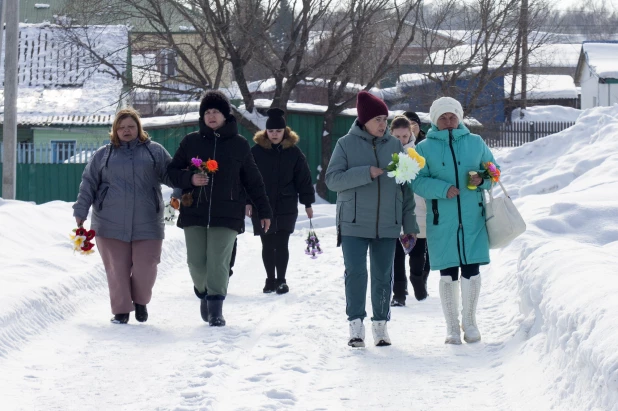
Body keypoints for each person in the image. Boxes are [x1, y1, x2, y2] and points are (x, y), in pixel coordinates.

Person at [167, 90, 272, 327]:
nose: (211, 116)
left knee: (219, 262)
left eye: (216, 111)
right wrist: (190, 180)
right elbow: (172, 172)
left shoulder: (239, 145)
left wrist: (264, 210)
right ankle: (204, 292)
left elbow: (253, 180)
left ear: (226, 115)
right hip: (194, 211)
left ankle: (216, 308)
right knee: (196, 263)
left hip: (227, 213)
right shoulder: (190, 141)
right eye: (207, 112)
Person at [326, 91, 419, 348]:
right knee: (356, 274)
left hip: (388, 224)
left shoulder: (394, 146)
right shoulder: (345, 144)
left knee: (382, 276)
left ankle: (380, 326)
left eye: (384, 118)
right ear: (364, 120)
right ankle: (356, 326)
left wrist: (409, 225)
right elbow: (333, 180)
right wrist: (366, 173)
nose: (382, 124)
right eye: (377, 118)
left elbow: (405, 188)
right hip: (354, 222)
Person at [412, 97, 499, 345]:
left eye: (452, 117)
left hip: (473, 218)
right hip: (442, 219)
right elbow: (417, 181)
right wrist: (442, 189)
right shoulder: (424, 148)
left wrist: (482, 180)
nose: (448, 122)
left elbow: (494, 171)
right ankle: (452, 327)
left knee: (472, 271)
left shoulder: (475, 142)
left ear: (459, 118)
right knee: (448, 273)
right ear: (435, 121)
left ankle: (470, 322)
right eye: (443, 118)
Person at [73, 108, 173, 324]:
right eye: (121, 127)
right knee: (116, 268)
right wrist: (81, 210)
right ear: (115, 130)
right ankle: (121, 310)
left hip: (148, 220)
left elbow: (172, 175)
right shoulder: (103, 154)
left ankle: (141, 301)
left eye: (131, 126)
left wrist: (186, 186)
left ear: (139, 127)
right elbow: (88, 183)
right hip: (109, 222)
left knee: (146, 266)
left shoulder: (154, 151)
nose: (126, 131)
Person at [248, 108, 316, 295]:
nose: (275, 134)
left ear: (284, 131)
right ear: (266, 132)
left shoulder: (294, 152)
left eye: (278, 131)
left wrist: (308, 203)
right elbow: (246, 178)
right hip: (262, 205)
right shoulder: (256, 152)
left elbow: (304, 179)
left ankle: (282, 280)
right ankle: (270, 279)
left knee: (282, 243)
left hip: (286, 204)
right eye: (271, 131)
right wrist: (246, 201)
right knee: (267, 243)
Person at [389, 114, 430, 306]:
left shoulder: (417, 153)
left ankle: (418, 279)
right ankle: (399, 293)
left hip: (416, 208)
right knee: (396, 254)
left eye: (404, 136)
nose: (401, 140)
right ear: (391, 134)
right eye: (397, 137)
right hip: (394, 210)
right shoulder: (385, 153)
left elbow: (422, 179)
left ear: (410, 136)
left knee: (417, 251)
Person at [170, 188, 238, 277]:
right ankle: (203, 282)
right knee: (200, 249)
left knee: (224, 241)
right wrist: (176, 195)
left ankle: (224, 271)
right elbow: (180, 176)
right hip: (196, 205)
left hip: (224, 206)